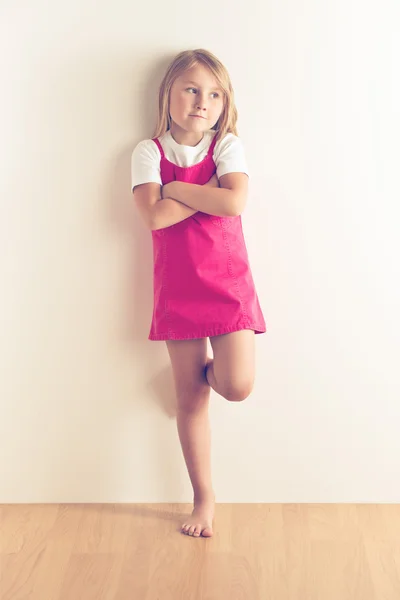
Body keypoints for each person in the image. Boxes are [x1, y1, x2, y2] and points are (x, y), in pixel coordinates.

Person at [131, 48, 267, 538]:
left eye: (213, 94)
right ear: (169, 92)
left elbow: (234, 202)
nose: (202, 102)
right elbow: (152, 217)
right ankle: (204, 498)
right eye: (191, 89)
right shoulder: (148, 153)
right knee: (191, 403)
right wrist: (202, 190)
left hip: (227, 283)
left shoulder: (226, 145)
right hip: (180, 288)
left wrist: (177, 190)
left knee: (236, 385)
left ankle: (197, 376)